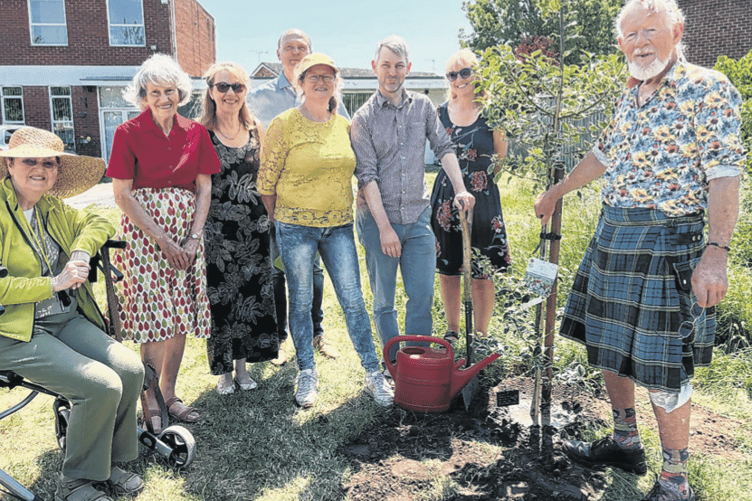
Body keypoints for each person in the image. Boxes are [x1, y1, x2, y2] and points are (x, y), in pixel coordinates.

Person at [534, 1, 744, 500]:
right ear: (621, 44)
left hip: (669, 239)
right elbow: (603, 154)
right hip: (615, 232)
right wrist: (557, 191)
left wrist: (717, 251)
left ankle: (675, 481)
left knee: (662, 362)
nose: (641, 42)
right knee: (607, 345)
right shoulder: (632, 97)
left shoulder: (707, 88)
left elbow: (725, 173)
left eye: (651, 30)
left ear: (678, 31)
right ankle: (626, 442)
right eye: (631, 34)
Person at [0, 127, 145, 501]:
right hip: (13, 330)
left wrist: (80, 252)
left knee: (129, 369)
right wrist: (53, 283)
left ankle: (107, 462)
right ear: (9, 165)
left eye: (48, 163)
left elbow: (100, 220)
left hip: (61, 319)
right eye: (29, 160)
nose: (40, 169)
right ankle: (77, 480)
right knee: (100, 385)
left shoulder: (51, 206)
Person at [258, 53, 393, 408]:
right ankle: (307, 373)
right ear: (299, 83)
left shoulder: (345, 127)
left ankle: (373, 375)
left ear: (336, 83)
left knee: (352, 300)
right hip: (296, 229)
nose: (321, 82)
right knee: (300, 302)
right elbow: (265, 183)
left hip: (338, 228)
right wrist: (282, 222)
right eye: (313, 76)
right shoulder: (283, 124)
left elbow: (362, 172)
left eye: (328, 76)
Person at [108, 54, 221, 432]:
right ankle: (149, 394)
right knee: (156, 317)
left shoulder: (196, 133)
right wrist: (163, 240)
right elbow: (123, 194)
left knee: (179, 316)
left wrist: (191, 239)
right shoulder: (127, 133)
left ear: (180, 93)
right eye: (154, 91)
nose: (162, 98)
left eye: (169, 91)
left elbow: (204, 187)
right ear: (144, 95)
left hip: (188, 236)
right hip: (144, 238)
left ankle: (170, 393)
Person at [351, 35, 475, 367]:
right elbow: (367, 178)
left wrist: (461, 188)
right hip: (379, 220)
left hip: (418, 218)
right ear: (375, 67)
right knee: (385, 300)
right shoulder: (363, 119)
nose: (392, 72)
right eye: (386, 65)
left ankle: (415, 363)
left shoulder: (422, 106)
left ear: (409, 68)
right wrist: (385, 228)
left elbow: (444, 148)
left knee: (421, 296)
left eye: (399, 66)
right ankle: (394, 365)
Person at [247, 28, 348, 363]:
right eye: (288, 47)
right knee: (277, 270)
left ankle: (317, 332)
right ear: (278, 54)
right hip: (274, 199)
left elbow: (345, 135)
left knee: (314, 272)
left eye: (301, 47)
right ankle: (279, 337)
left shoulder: (327, 92)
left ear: (310, 52)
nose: (294, 52)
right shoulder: (259, 96)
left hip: (318, 203)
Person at [199, 61, 279, 395]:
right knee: (221, 301)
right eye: (223, 86)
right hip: (218, 233)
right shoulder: (200, 133)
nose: (231, 93)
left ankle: (244, 368)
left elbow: (268, 179)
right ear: (211, 91)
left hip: (255, 229)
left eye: (238, 87)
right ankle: (224, 373)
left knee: (251, 295)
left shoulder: (257, 129)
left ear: (245, 91)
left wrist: (273, 220)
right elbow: (198, 187)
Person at [429, 48, 511, 343]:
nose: (459, 79)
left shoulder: (493, 113)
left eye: (465, 72)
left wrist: (481, 183)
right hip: (445, 199)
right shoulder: (438, 113)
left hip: (483, 198)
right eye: (453, 74)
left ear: (477, 75)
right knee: (448, 268)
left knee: (482, 270)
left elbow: (501, 157)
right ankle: (452, 331)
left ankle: (481, 334)